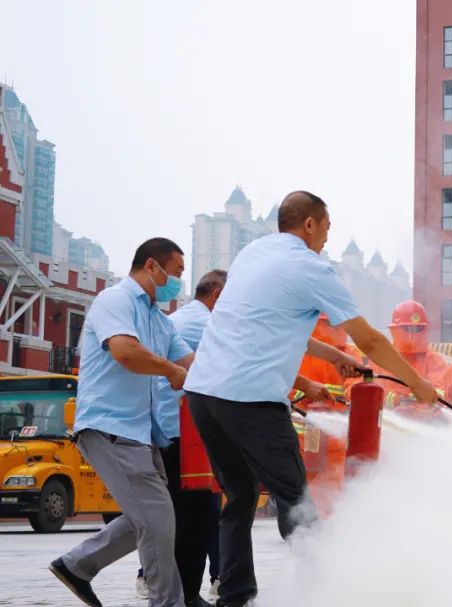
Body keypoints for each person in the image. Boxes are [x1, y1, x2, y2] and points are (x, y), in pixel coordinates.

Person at [183, 191, 437, 607]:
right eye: (326, 230)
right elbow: (370, 338)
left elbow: (267, 322)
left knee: (240, 498)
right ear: (309, 225)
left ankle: (235, 597)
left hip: (204, 396)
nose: (326, 241)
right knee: (297, 501)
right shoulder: (311, 267)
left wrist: (335, 356)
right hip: (251, 400)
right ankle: (325, 593)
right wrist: (417, 384)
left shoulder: (252, 254)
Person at [48, 238, 195, 607]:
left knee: (152, 515)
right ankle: (168, 603)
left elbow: (197, 366)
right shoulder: (114, 301)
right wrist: (171, 371)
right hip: (109, 427)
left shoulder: (160, 322)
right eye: (175, 272)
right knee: (157, 518)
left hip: (141, 433)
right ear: (152, 266)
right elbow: (126, 353)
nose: (177, 282)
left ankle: (77, 565)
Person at [136, 269, 229, 606]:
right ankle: (184, 594)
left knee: (184, 514)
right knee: (197, 515)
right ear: (218, 296)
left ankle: (174, 589)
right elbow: (225, 371)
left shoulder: (180, 318)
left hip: (170, 430)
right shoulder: (203, 325)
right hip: (184, 433)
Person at [372, 300, 449, 422]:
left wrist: (418, 410)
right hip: (389, 427)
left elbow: (439, 393)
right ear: (394, 330)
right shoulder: (382, 359)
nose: (412, 335)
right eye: (407, 329)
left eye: (417, 329)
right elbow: (368, 393)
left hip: (424, 427)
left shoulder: (434, 360)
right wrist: (396, 401)